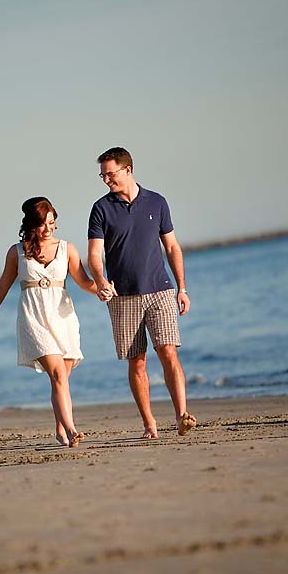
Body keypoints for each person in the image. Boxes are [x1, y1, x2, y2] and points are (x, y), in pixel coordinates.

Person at [0, 197, 113, 447]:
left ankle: (60, 429)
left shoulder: (67, 249)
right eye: (43, 224)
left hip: (63, 317)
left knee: (61, 377)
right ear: (31, 225)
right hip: (34, 318)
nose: (49, 228)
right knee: (59, 373)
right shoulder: (16, 252)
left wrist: (102, 289)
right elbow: (2, 286)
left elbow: (83, 281)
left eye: (52, 222)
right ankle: (72, 430)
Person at [87, 147, 197, 439]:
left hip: (160, 290)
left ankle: (182, 415)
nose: (106, 180)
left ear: (128, 169)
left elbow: (172, 247)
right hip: (122, 297)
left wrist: (182, 288)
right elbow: (95, 255)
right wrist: (100, 281)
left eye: (110, 174)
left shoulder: (157, 202)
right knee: (137, 361)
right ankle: (150, 424)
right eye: (103, 175)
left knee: (168, 351)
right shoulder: (101, 209)